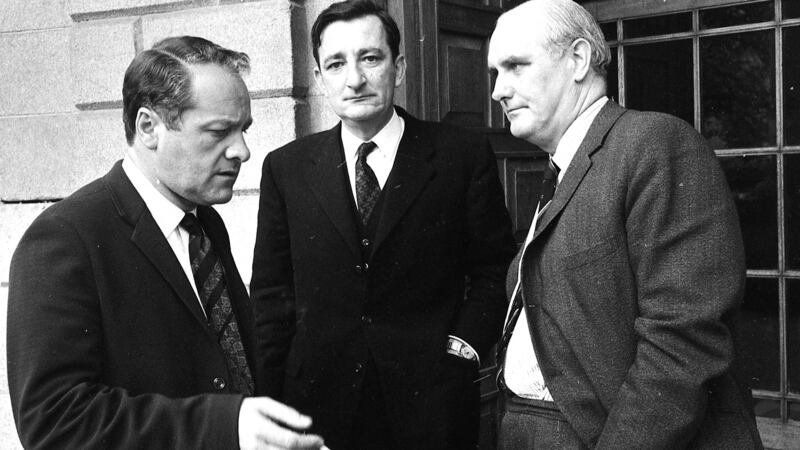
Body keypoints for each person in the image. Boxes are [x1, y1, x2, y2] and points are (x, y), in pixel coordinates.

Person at [7, 36, 325, 450]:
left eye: (243, 130)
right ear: (148, 127)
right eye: (218, 131)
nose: (242, 151)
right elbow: (54, 423)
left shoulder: (205, 224)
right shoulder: (65, 239)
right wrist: (224, 427)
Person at [487, 1, 763, 448]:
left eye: (515, 66)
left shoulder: (654, 144)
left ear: (578, 59)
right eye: (494, 73)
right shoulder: (563, 169)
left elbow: (683, 344)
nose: (499, 90)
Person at [250, 1, 516, 448]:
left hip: (432, 404)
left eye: (370, 58)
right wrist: (272, 402)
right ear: (319, 78)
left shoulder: (460, 156)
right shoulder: (286, 168)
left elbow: (495, 270)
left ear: (400, 67)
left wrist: (462, 350)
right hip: (317, 408)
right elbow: (272, 296)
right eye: (336, 64)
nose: (354, 79)